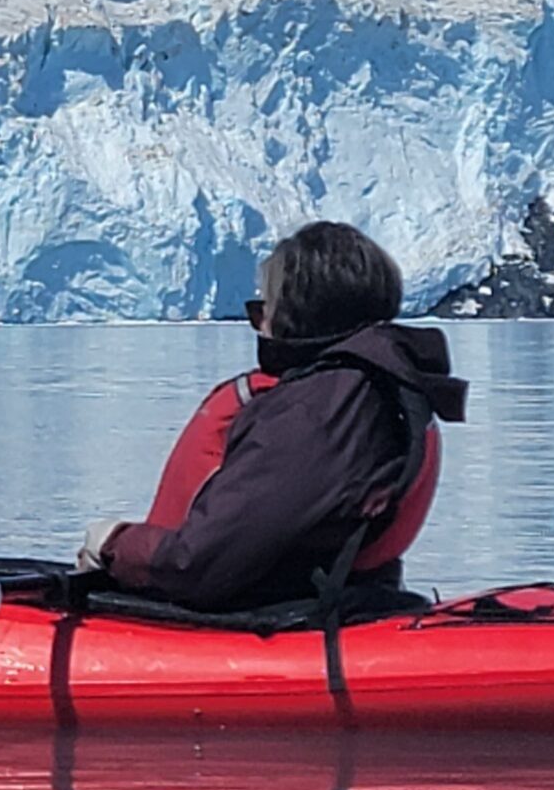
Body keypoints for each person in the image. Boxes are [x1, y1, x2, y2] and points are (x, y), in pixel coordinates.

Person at [78, 222, 468, 612]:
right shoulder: (367, 387)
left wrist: (114, 544)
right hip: (333, 601)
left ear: (296, 314)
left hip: (273, 614)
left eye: (263, 308)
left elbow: (199, 564)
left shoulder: (317, 412)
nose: (259, 324)